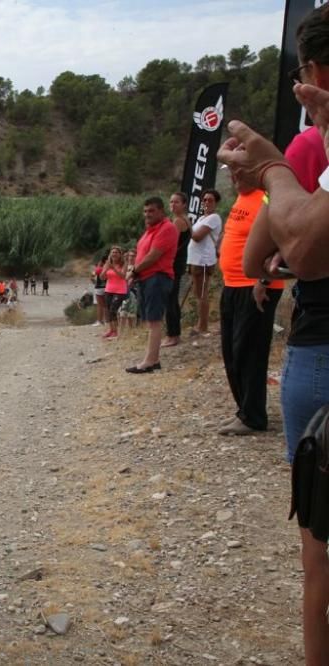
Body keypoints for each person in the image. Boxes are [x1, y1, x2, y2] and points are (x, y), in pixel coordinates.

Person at [217, 15, 329, 659]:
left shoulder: (313, 148)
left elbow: (282, 248)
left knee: (321, 559)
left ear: (313, 76)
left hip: (322, 342)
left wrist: (271, 172)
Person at [216, 176, 285, 436]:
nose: (234, 177)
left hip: (256, 287)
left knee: (250, 351)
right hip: (232, 284)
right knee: (232, 352)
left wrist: (264, 280)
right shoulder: (243, 198)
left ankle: (253, 416)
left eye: (239, 171)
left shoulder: (266, 198)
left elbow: (281, 239)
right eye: (231, 172)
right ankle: (244, 410)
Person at [125, 197, 177, 373]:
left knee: (154, 320)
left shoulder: (167, 228)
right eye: (145, 211)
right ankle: (152, 359)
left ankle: (150, 361)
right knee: (150, 320)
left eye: (152, 211)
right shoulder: (150, 230)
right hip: (146, 278)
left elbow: (153, 256)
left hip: (158, 277)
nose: (147, 214)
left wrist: (134, 271)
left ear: (161, 211)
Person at [186, 188, 222, 336]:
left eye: (210, 200)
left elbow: (197, 237)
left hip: (204, 260)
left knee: (202, 292)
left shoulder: (214, 218)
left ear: (216, 203)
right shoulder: (201, 218)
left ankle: (203, 326)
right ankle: (200, 324)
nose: (206, 202)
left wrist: (186, 223)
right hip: (196, 260)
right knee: (198, 292)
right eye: (205, 199)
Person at [162, 192, 192, 347]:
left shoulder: (178, 222)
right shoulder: (186, 219)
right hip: (178, 264)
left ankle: (172, 335)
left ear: (184, 204)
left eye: (176, 202)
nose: (173, 205)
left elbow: (170, 244)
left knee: (170, 300)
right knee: (172, 300)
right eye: (171, 202)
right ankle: (174, 333)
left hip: (173, 264)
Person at [101, 246, 127, 340]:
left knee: (113, 310)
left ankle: (115, 331)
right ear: (110, 254)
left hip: (120, 290)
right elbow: (102, 277)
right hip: (108, 289)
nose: (114, 254)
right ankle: (111, 330)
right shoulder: (108, 264)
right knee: (108, 311)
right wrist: (106, 269)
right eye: (112, 252)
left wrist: (114, 268)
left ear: (120, 254)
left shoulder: (124, 263)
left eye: (116, 252)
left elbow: (123, 276)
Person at [92, 256, 107, 326]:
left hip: (99, 287)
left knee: (100, 305)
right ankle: (106, 320)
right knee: (106, 305)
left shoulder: (98, 269)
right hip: (107, 287)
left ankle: (100, 321)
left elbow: (92, 277)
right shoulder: (109, 268)